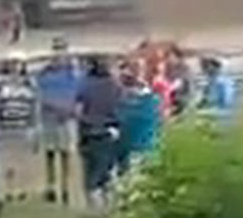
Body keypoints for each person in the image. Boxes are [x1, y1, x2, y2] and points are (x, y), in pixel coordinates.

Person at [34, 38, 82, 205]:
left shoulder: (73, 73)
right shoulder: (45, 73)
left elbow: (79, 95)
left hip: (67, 119)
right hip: (50, 118)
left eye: (62, 49)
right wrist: (54, 107)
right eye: (56, 49)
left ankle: (65, 187)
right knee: (50, 153)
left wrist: (72, 110)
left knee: (65, 154)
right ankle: (51, 186)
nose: (59, 53)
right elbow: (40, 95)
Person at [75, 53, 123, 208]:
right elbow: (120, 108)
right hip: (108, 131)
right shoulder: (115, 86)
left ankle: (94, 204)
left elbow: (78, 109)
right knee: (105, 170)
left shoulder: (85, 84)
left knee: (90, 170)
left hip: (88, 131)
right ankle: (106, 203)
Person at [0, 58, 39, 200]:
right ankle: (9, 189)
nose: (15, 67)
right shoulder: (1, 84)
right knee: (7, 161)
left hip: (23, 127)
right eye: (13, 63)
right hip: (6, 127)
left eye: (18, 64)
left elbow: (34, 107)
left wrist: (34, 128)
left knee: (22, 161)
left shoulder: (29, 84)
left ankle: (21, 189)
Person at [115, 60, 164, 179]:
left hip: (127, 147)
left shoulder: (122, 102)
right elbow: (159, 121)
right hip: (146, 146)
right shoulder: (153, 100)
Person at [196, 54, 238, 121]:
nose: (203, 70)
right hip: (221, 101)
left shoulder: (218, 78)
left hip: (222, 104)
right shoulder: (211, 76)